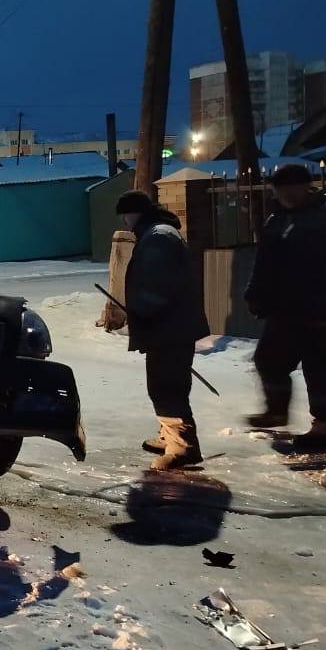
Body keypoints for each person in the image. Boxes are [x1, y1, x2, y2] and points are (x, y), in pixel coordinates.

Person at [243, 162, 326, 452]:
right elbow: (265, 261)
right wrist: (255, 293)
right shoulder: (278, 218)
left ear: (305, 186)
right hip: (285, 308)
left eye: (290, 188)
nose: (285, 194)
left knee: (322, 368)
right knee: (269, 359)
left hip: (319, 308)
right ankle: (277, 411)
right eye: (280, 189)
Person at [116, 190, 210, 470]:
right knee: (167, 382)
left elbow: (156, 286)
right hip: (172, 325)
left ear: (136, 213)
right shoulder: (159, 233)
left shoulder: (157, 238)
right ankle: (169, 435)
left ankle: (182, 447)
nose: (124, 220)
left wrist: (142, 312)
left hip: (168, 327)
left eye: (125, 214)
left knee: (166, 385)